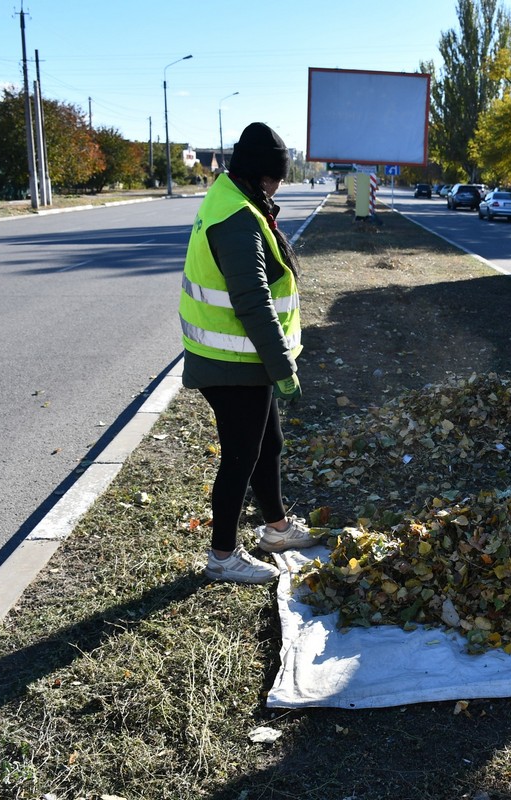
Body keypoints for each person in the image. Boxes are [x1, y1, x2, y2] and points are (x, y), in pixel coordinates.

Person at [178, 121, 321, 585]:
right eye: (277, 177)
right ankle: (222, 556)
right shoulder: (239, 219)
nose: (279, 184)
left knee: (267, 445)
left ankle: (276, 529)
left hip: (240, 359)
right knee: (240, 456)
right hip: (234, 361)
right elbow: (254, 303)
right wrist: (284, 370)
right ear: (261, 175)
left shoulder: (234, 200)